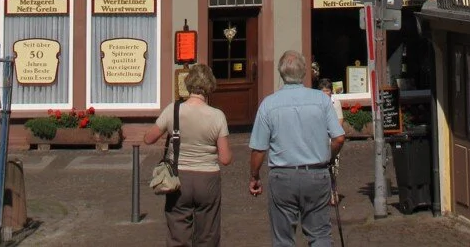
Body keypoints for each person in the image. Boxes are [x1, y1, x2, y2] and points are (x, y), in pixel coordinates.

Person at [248, 50, 345, 247]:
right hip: (316, 174)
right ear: (303, 73)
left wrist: (254, 176)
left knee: (283, 239)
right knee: (320, 235)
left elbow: (258, 149)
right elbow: (339, 138)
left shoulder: (268, 105)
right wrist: (328, 156)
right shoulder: (322, 101)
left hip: (283, 176)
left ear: (281, 74)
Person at [144, 63, 231, 247]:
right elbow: (225, 159)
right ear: (210, 86)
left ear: (189, 83)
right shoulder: (217, 116)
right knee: (208, 234)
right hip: (208, 179)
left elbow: (149, 138)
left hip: (179, 177)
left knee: (177, 232)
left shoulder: (173, 109)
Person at [317, 79, 344, 206]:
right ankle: (324, 195)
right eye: (322, 91)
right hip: (319, 140)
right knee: (320, 169)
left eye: (327, 91)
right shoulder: (315, 104)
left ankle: (334, 193)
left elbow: (340, 120)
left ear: (331, 92)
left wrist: (333, 132)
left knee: (333, 168)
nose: (325, 93)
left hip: (332, 139)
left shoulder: (335, 103)